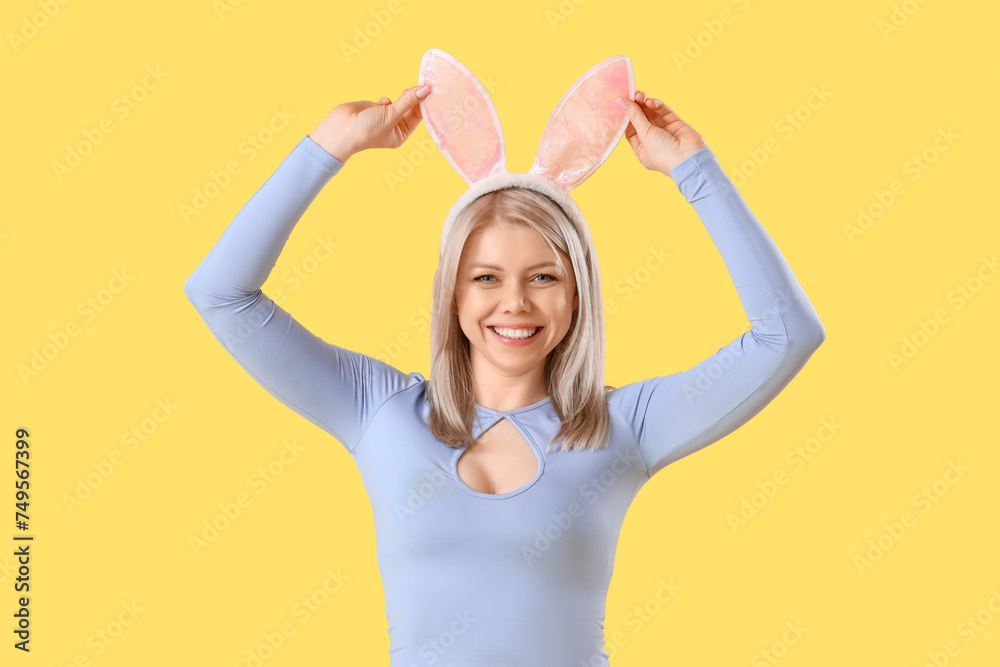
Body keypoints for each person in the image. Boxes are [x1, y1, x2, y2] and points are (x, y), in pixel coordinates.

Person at [184, 81, 825, 665]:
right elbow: (220, 292)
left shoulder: (623, 428)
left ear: (577, 296)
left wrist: (694, 170)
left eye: (543, 277)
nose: (514, 303)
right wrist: (330, 146)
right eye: (485, 278)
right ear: (453, 296)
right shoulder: (379, 411)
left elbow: (788, 335)